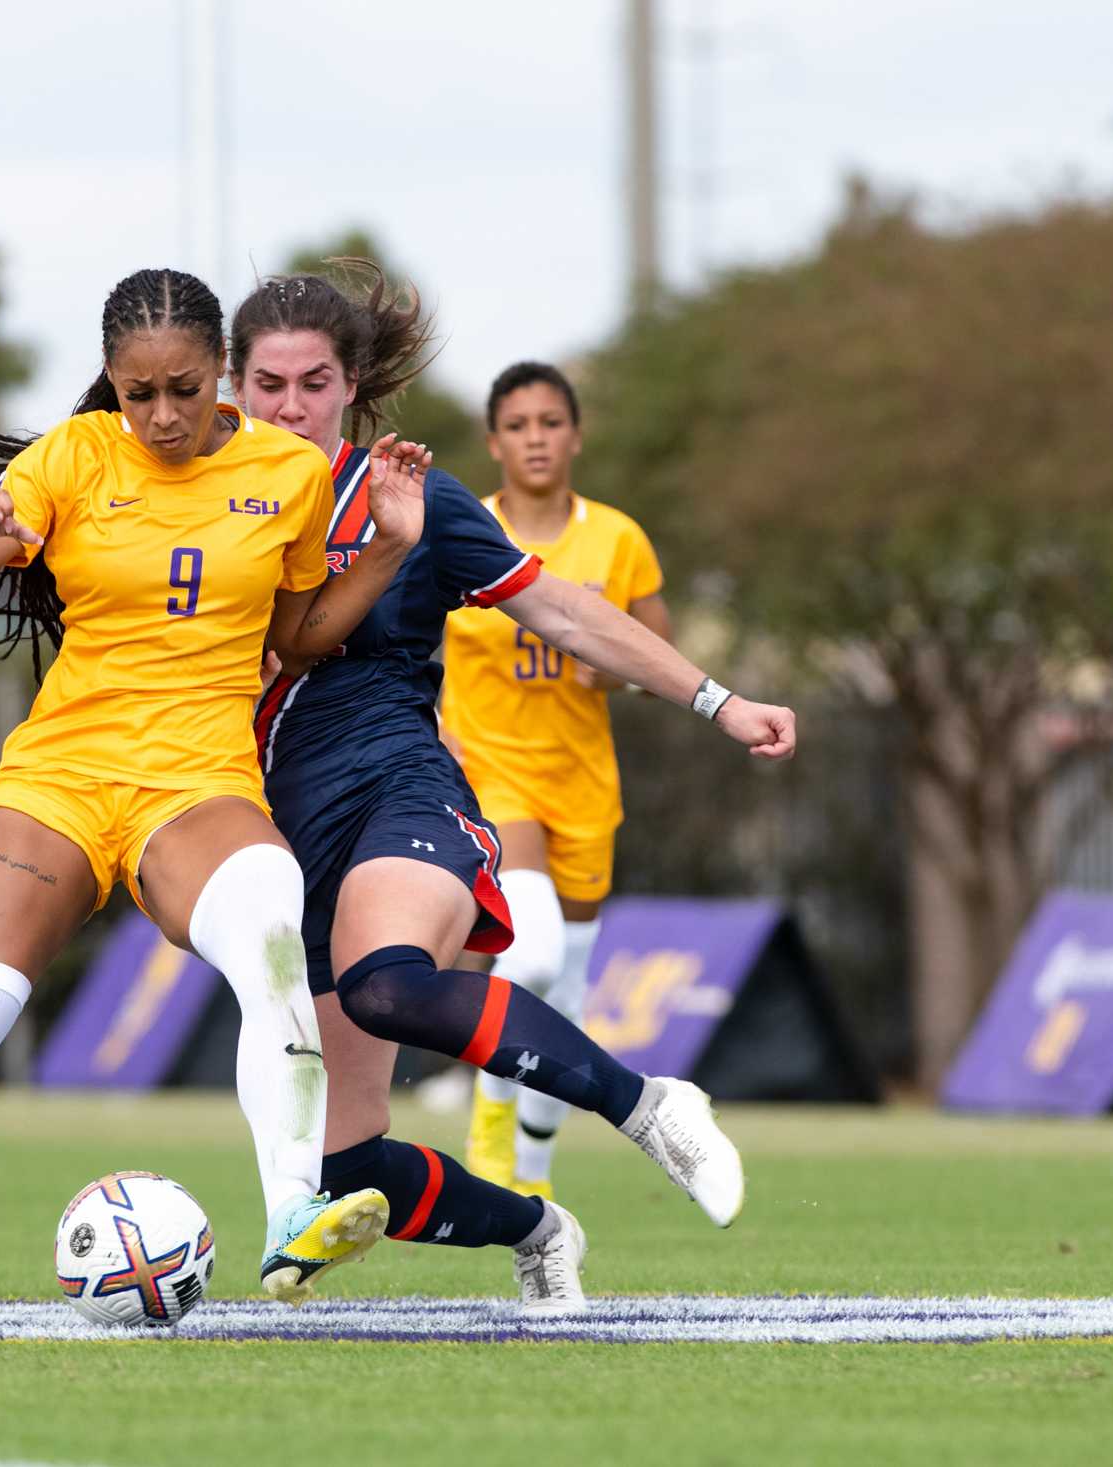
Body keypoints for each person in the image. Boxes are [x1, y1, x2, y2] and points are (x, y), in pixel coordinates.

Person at [0, 268, 430, 1325]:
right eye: (137, 392)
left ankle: (293, 1213)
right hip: (60, 780)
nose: (160, 416)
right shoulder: (67, 458)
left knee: (273, 934)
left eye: (184, 391)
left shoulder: (283, 473)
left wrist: (387, 546)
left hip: (196, 784)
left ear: (221, 378)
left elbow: (293, 640)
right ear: (110, 380)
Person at [230, 263, 797, 1310]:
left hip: (402, 790)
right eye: (269, 384)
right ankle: (540, 1226)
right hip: (275, 838)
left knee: (386, 981)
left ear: (351, 385)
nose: (290, 407)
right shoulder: (202, 511)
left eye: (314, 383)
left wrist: (719, 701)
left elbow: (571, 616)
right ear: (235, 389)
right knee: (342, 1171)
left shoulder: (415, 501)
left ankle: (651, 1109)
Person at [441, 361, 671, 1196]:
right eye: (519, 424)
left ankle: (532, 1165)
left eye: (550, 422)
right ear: (494, 440)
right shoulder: (465, 526)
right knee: (528, 954)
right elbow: (398, 639)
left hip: (584, 785)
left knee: (565, 992)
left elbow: (654, 652)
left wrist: (613, 674)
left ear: (575, 434)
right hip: (493, 779)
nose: (535, 437)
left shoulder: (617, 538)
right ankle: (490, 1106)